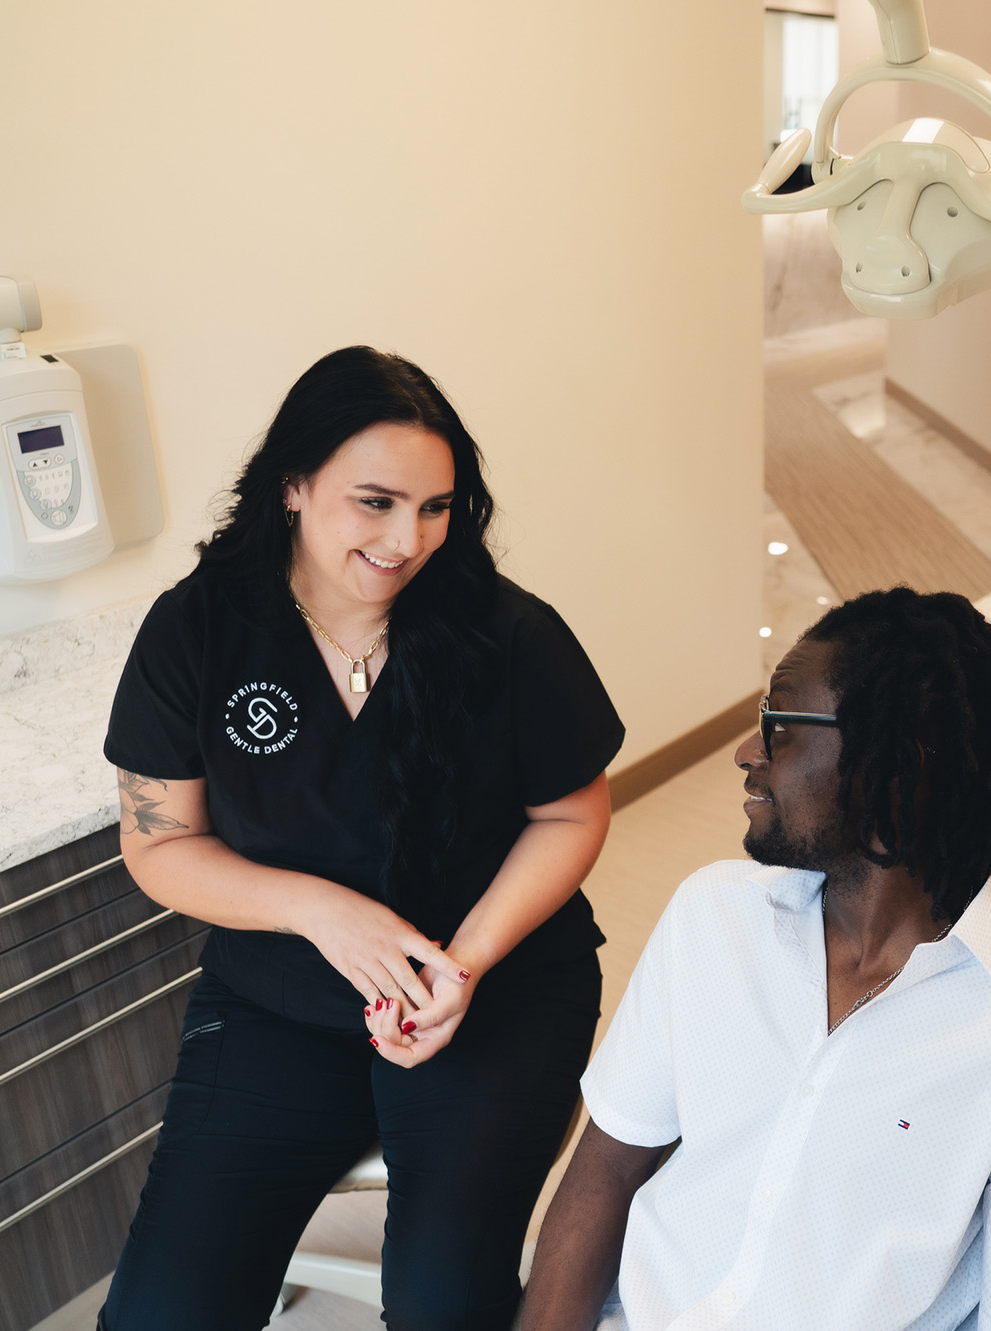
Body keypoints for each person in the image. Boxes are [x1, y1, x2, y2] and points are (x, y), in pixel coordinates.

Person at [97, 346, 625, 1330]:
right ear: (293, 484)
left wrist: (458, 964)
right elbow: (158, 841)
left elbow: (572, 811)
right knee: (163, 1311)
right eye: (374, 502)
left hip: (495, 987)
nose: (408, 538)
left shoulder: (504, 634)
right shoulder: (198, 632)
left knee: (442, 1302)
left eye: (435, 507)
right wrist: (322, 911)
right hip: (278, 999)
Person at [522, 589, 991, 1331]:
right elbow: (606, 1169)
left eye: (779, 727)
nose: (747, 754)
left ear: (896, 763)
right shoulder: (713, 917)